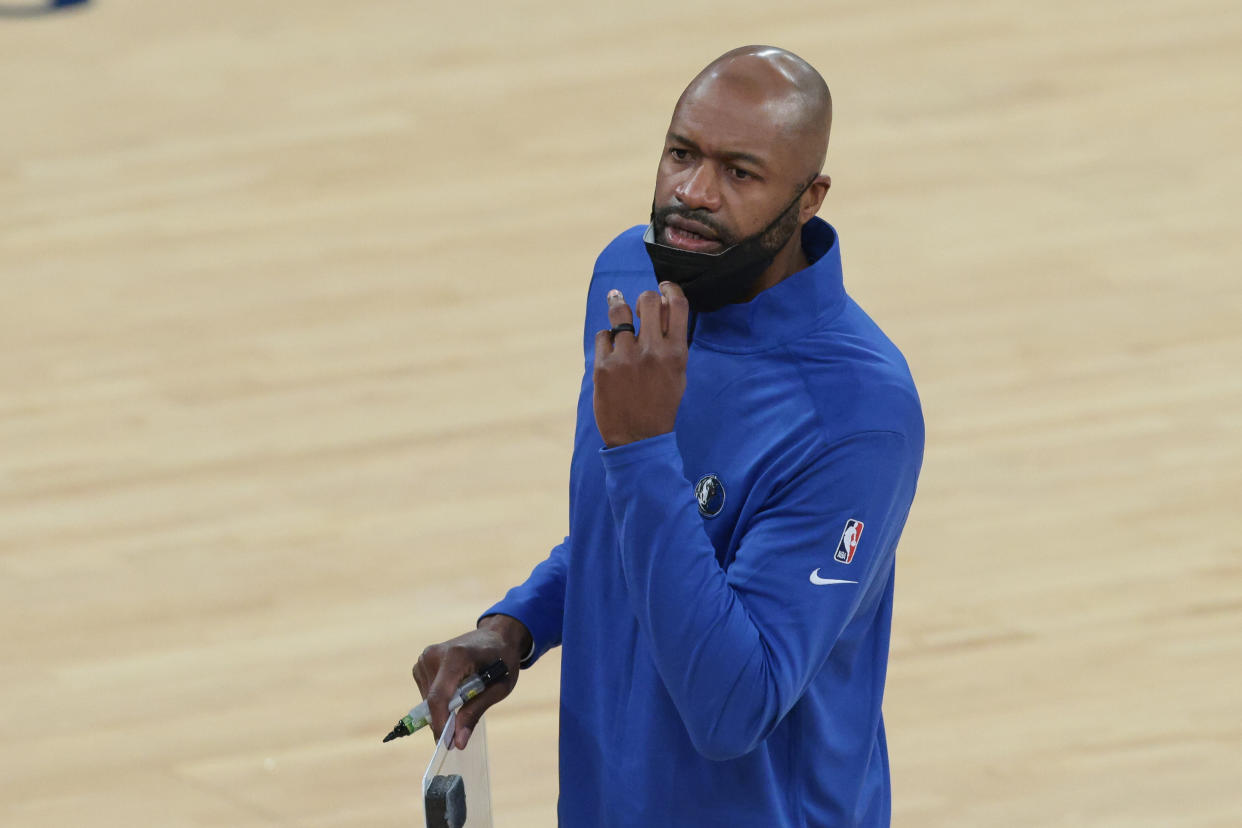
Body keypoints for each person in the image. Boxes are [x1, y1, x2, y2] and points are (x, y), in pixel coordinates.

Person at [411, 45, 924, 827]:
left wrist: (644, 447)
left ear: (810, 198)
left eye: (739, 173)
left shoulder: (858, 415)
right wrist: (517, 627)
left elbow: (733, 709)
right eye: (681, 154)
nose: (691, 193)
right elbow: (630, 525)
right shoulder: (630, 282)